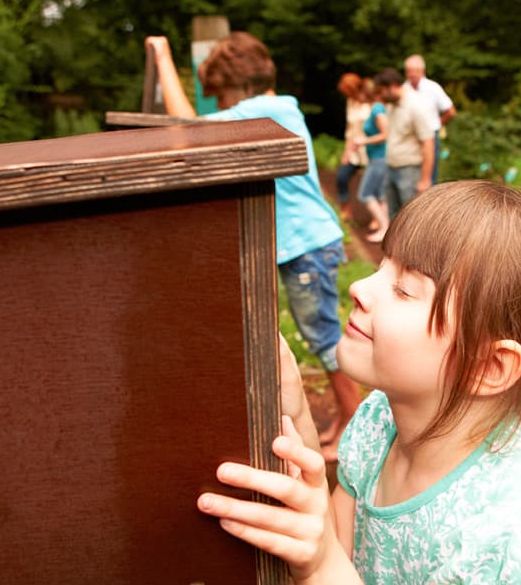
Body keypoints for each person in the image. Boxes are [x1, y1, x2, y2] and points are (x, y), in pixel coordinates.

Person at [197, 180, 521, 585]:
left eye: (404, 289)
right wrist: (293, 409)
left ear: (488, 366)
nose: (360, 287)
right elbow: (338, 545)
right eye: (382, 266)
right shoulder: (381, 420)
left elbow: (329, 562)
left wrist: (320, 565)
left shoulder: (517, 524)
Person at [145, 33, 361, 459]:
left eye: (222, 96)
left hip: (306, 244)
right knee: (319, 335)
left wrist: (163, 56)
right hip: (302, 243)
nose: (223, 105)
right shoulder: (274, 110)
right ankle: (345, 419)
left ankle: (353, 424)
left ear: (238, 84)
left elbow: (187, 130)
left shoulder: (266, 111)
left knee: (322, 337)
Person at [372, 68, 435, 220]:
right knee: (394, 218)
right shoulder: (391, 105)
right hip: (391, 168)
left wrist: (425, 179)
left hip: (410, 171)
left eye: (381, 91)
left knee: (411, 219)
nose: (379, 96)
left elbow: (428, 143)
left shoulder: (416, 106)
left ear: (392, 86)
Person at [346, 78, 390, 243]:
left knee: (365, 194)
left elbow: (385, 134)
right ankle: (386, 230)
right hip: (378, 158)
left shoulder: (377, 108)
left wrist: (363, 141)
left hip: (380, 158)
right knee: (381, 195)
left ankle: (384, 227)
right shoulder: (377, 108)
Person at [403, 54, 456, 184]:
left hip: (430, 136)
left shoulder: (433, 88)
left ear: (422, 71)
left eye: (415, 70)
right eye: (409, 71)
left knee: (430, 174)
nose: (412, 74)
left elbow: (450, 111)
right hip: (410, 138)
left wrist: (438, 123)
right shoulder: (404, 89)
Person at [335, 73, 372, 220]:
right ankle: (345, 209)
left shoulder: (371, 102)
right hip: (353, 149)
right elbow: (350, 129)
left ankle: (376, 217)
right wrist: (346, 152)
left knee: (372, 183)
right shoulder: (350, 102)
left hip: (369, 148)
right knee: (341, 176)